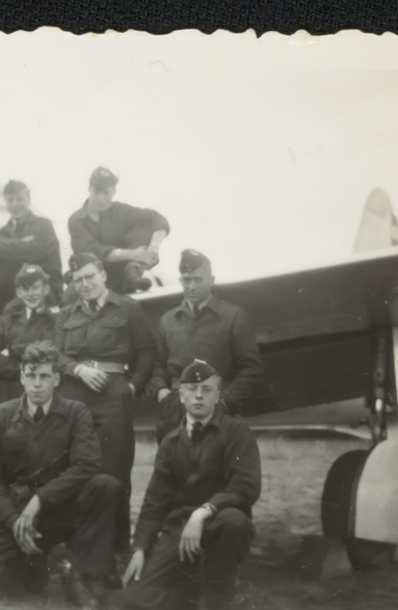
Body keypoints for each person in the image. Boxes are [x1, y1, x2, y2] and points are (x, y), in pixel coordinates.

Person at [0, 342, 122, 610]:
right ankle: (31, 566)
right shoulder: (1, 415)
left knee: (105, 486)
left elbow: (88, 463)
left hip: (57, 509)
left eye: (44, 376)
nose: (37, 384)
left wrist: (40, 499)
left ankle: (83, 575)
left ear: (56, 379)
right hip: (12, 513)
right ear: (21, 377)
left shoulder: (75, 412)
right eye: (31, 376)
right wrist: (13, 519)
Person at [122, 360, 261, 610]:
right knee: (137, 601)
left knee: (236, 522)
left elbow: (246, 486)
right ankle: (198, 584)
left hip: (219, 523)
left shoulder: (237, 432)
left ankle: (216, 593)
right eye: (192, 389)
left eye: (207, 390)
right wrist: (140, 548)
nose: (199, 396)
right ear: (181, 396)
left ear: (218, 396)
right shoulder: (171, 442)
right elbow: (154, 502)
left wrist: (203, 512)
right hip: (180, 530)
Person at [54, 252, 155, 554]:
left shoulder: (129, 308)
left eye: (89, 277)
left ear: (103, 275)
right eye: (78, 280)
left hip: (113, 396)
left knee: (115, 472)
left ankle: (116, 549)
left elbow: (147, 353)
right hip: (74, 395)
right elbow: (56, 355)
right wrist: (78, 370)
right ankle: (77, 548)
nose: (84, 284)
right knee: (73, 469)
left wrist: (132, 387)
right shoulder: (65, 314)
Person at [148, 249, 265, 444]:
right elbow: (157, 366)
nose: (192, 286)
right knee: (172, 461)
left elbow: (251, 369)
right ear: (181, 281)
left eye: (198, 279)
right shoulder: (168, 320)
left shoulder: (233, 317)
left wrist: (224, 402)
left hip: (217, 410)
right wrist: (162, 393)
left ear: (211, 280)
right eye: (187, 280)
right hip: (175, 411)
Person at [0, 264, 57, 436]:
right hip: (1, 394)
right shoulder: (5, 322)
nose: (30, 294)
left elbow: (49, 349)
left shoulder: (54, 322)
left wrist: (12, 350)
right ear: (19, 292)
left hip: (35, 396)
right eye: (25, 289)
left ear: (46, 289)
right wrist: (19, 368)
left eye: (35, 287)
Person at [0, 180, 64, 324]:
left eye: (19, 199)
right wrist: (15, 246)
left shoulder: (43, 226)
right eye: (10, 200)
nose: (15, 205)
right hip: (15, 291)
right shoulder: (4, 232)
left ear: (28, 200)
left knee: (9, 314)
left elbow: (33, 251)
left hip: (46, 290)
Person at [67, 166, 170, 294]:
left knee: (145, 222)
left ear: (114, 192)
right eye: (96, 192)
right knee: (69, 299)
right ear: (89, 189)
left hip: (121, 275)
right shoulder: (76, 220)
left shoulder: (119, 210)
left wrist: (153, 248)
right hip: (90, 278)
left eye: (106, 193)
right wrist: (133, 254)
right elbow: (95, 252)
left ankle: (133, 271)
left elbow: (156, 218)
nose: (100, 198)